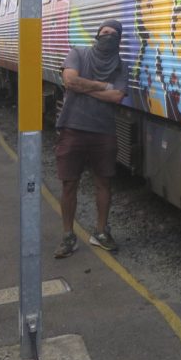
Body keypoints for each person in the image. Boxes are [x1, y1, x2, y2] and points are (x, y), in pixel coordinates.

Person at [53, 19, 128, 258]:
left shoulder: (121, 66)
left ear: (118, 40)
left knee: (104, 183)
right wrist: (103, 86)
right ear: (97, 34)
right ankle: (68, 236)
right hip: (72, 128)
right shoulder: (78, 53)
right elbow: (69, 81)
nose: (108, 36)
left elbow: (117, 97)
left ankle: (101, 232)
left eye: (113, 34)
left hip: (103, 131)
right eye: (104, 32)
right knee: (69, 183)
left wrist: (85, 88)